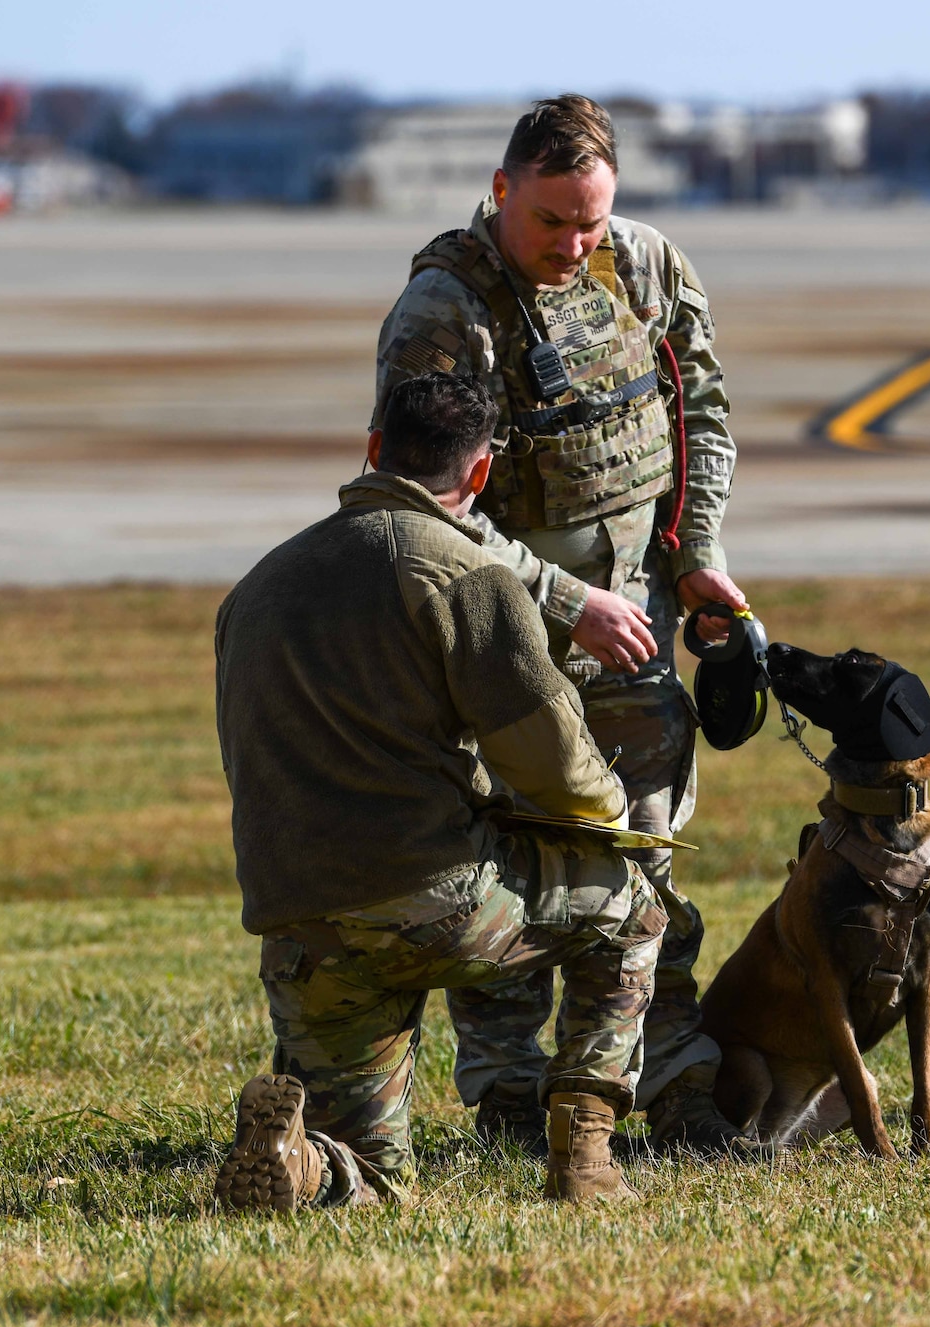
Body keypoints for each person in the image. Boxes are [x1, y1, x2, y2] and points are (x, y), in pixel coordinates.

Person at [371, 94, 750, 1154]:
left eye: (590, 222)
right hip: (505, 647)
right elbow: (422, 508)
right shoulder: (444, 316)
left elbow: (700, 411)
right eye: (550, 223)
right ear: (499, 192)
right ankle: (509, 1101)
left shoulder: (643, 267)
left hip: (637, 626)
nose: (573, 247)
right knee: (515, 870)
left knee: (644, 865)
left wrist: (699, 555)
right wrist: (565, 604)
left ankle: (673, 1086)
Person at [211, 371, 667, 1208]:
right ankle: (586, 1157)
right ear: (482, 472)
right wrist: (611, 827)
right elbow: (553, 762)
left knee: (374, 1172)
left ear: (376, 447)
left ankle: (307, 1164)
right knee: (635, 906)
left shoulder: (257, 589)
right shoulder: (462, 570)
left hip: (301, 924)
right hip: (431, 903)